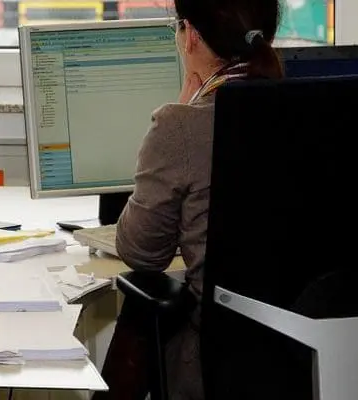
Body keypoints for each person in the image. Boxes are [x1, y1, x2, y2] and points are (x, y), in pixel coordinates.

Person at [97, 0, 285, 399]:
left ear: (191, 36)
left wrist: (183, 108)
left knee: (140, 307)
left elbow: (142, 253)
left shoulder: (181, 125)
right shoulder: (311, 110)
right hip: (306, 354)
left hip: (212, 363)